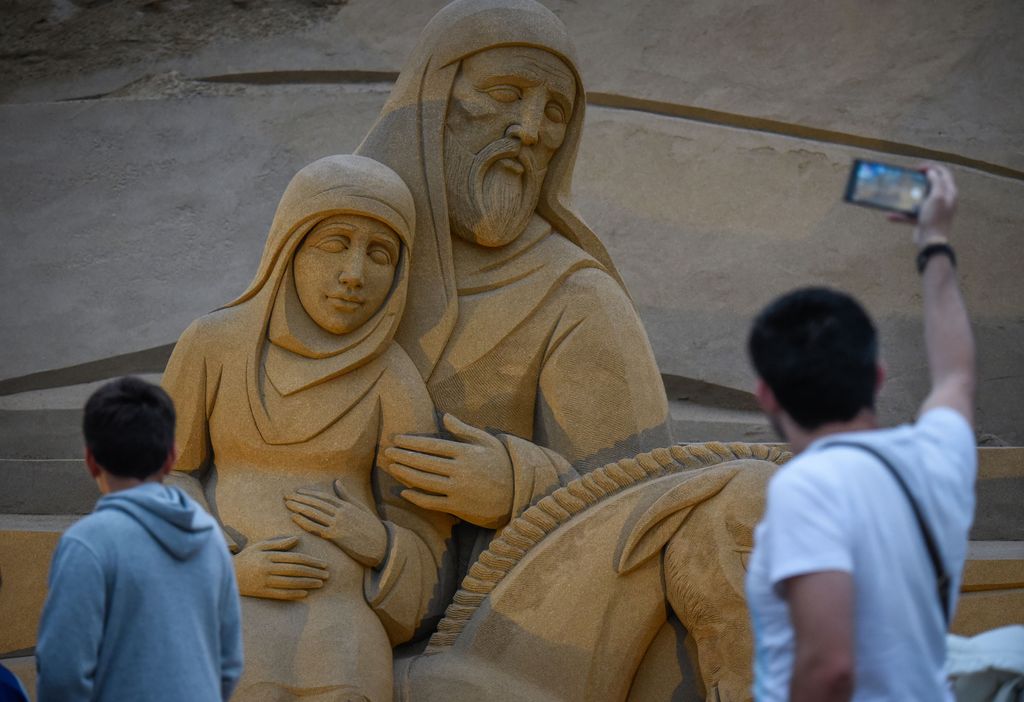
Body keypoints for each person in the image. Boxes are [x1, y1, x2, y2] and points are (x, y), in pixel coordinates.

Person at [357, 0, 671, 561]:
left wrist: (518, 486)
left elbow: (646, 508)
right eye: (505, 94)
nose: (530, 130)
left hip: (482, 618)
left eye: (554, 112)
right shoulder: (341, 251)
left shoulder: (577, 298)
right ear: (435, 103)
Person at [161, 154, 455, 700]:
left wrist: (379, 544)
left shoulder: (393, 376)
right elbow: (160, 475)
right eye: (335, 242)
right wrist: (222, 571)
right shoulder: (214, 345)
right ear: (289, 247)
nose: (355, 274)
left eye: (381, 254)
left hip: (341, 623)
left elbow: (426, 529)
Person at [744, 163, 976, 700]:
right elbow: (957, 377)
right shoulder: (935, 455)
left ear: (766, 397)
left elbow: (831, 669)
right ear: (878, 375)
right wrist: (934, 239)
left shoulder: (807, 486)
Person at [35, 376, 243, 701]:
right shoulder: (211, 539)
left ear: (91, 461)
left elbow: (62, 673)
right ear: (171, 457)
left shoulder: (88, 543)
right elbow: (229, 663)